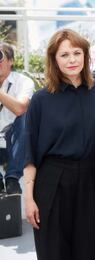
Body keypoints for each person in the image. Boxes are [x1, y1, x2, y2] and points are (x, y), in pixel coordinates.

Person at [23, 29, 95, 260]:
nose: (72, 59)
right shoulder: (41, 99)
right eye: (64, 55)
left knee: (88, 249)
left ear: (86, 56)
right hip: (51, 182)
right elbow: (30, 154)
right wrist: (28, 199)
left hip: (88, 181)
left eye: (77, 53)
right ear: (54, 59)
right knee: (53, 252)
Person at [0, 42, 34, 194]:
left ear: (10, 61)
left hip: (14, 143)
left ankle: (12, 178)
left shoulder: (23, 81)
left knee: (27, 116)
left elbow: (20, 108)